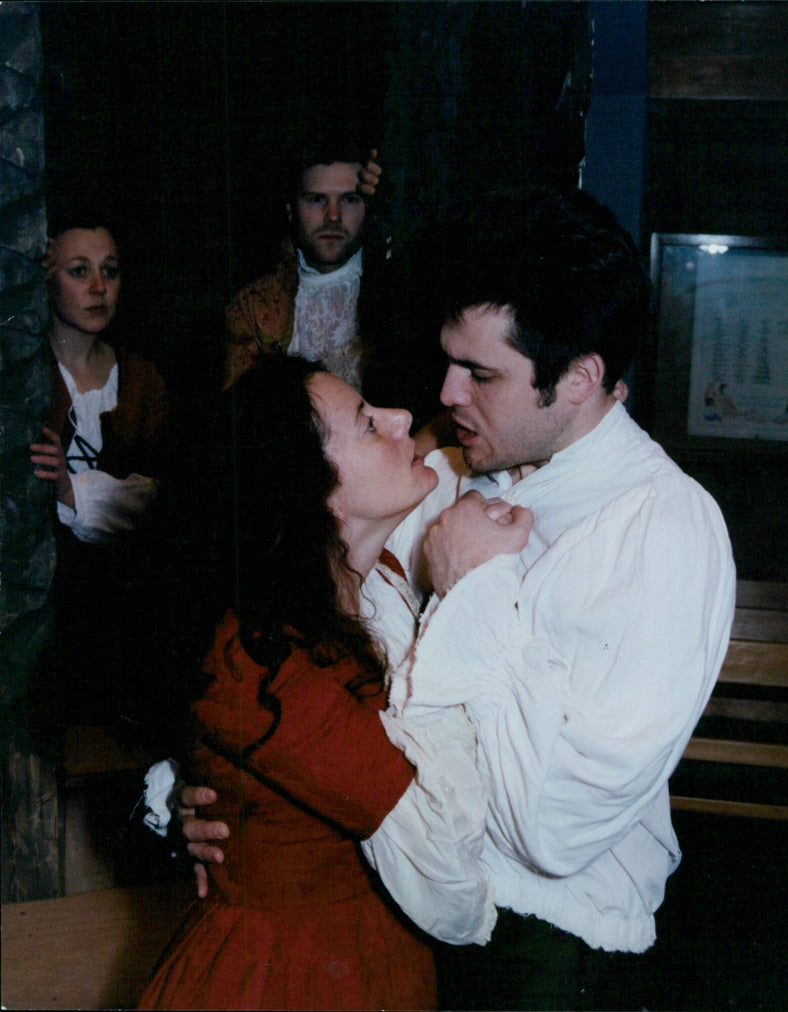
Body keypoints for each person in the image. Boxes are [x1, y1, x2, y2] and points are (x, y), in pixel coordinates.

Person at [181, 186, 736, 1010]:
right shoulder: (458, 467)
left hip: (540, 947)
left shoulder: (665, 529)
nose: (444, 394)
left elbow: (553, 831)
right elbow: (298, 612)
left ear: (580, 378)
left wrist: (477, 584)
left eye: (480, 373)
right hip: (394, 919)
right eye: (450, 360)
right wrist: (209, 793)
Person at [138, 356, 513, 1011]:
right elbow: (452, 895)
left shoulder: (379, 592)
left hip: (366, 961)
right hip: (287, 978)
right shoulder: (258, 653)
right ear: (305, 483)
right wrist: (462, 598)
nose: (404, 419)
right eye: (368, 424)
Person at [28, 216, 168, 734]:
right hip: (46, 607)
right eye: (77, 271)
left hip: (124, 606)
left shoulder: (142, 379)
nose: (97, 288)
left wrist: (72, 489)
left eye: (109, 271)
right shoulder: (28, 377)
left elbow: (160, 496)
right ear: (45, 277)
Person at [223, 140, 384, 391]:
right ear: (291, 210)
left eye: (349, 199)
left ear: (368, 208)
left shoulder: (397, 292)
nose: (333, 215)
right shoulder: (253, 305)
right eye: (317, 199)